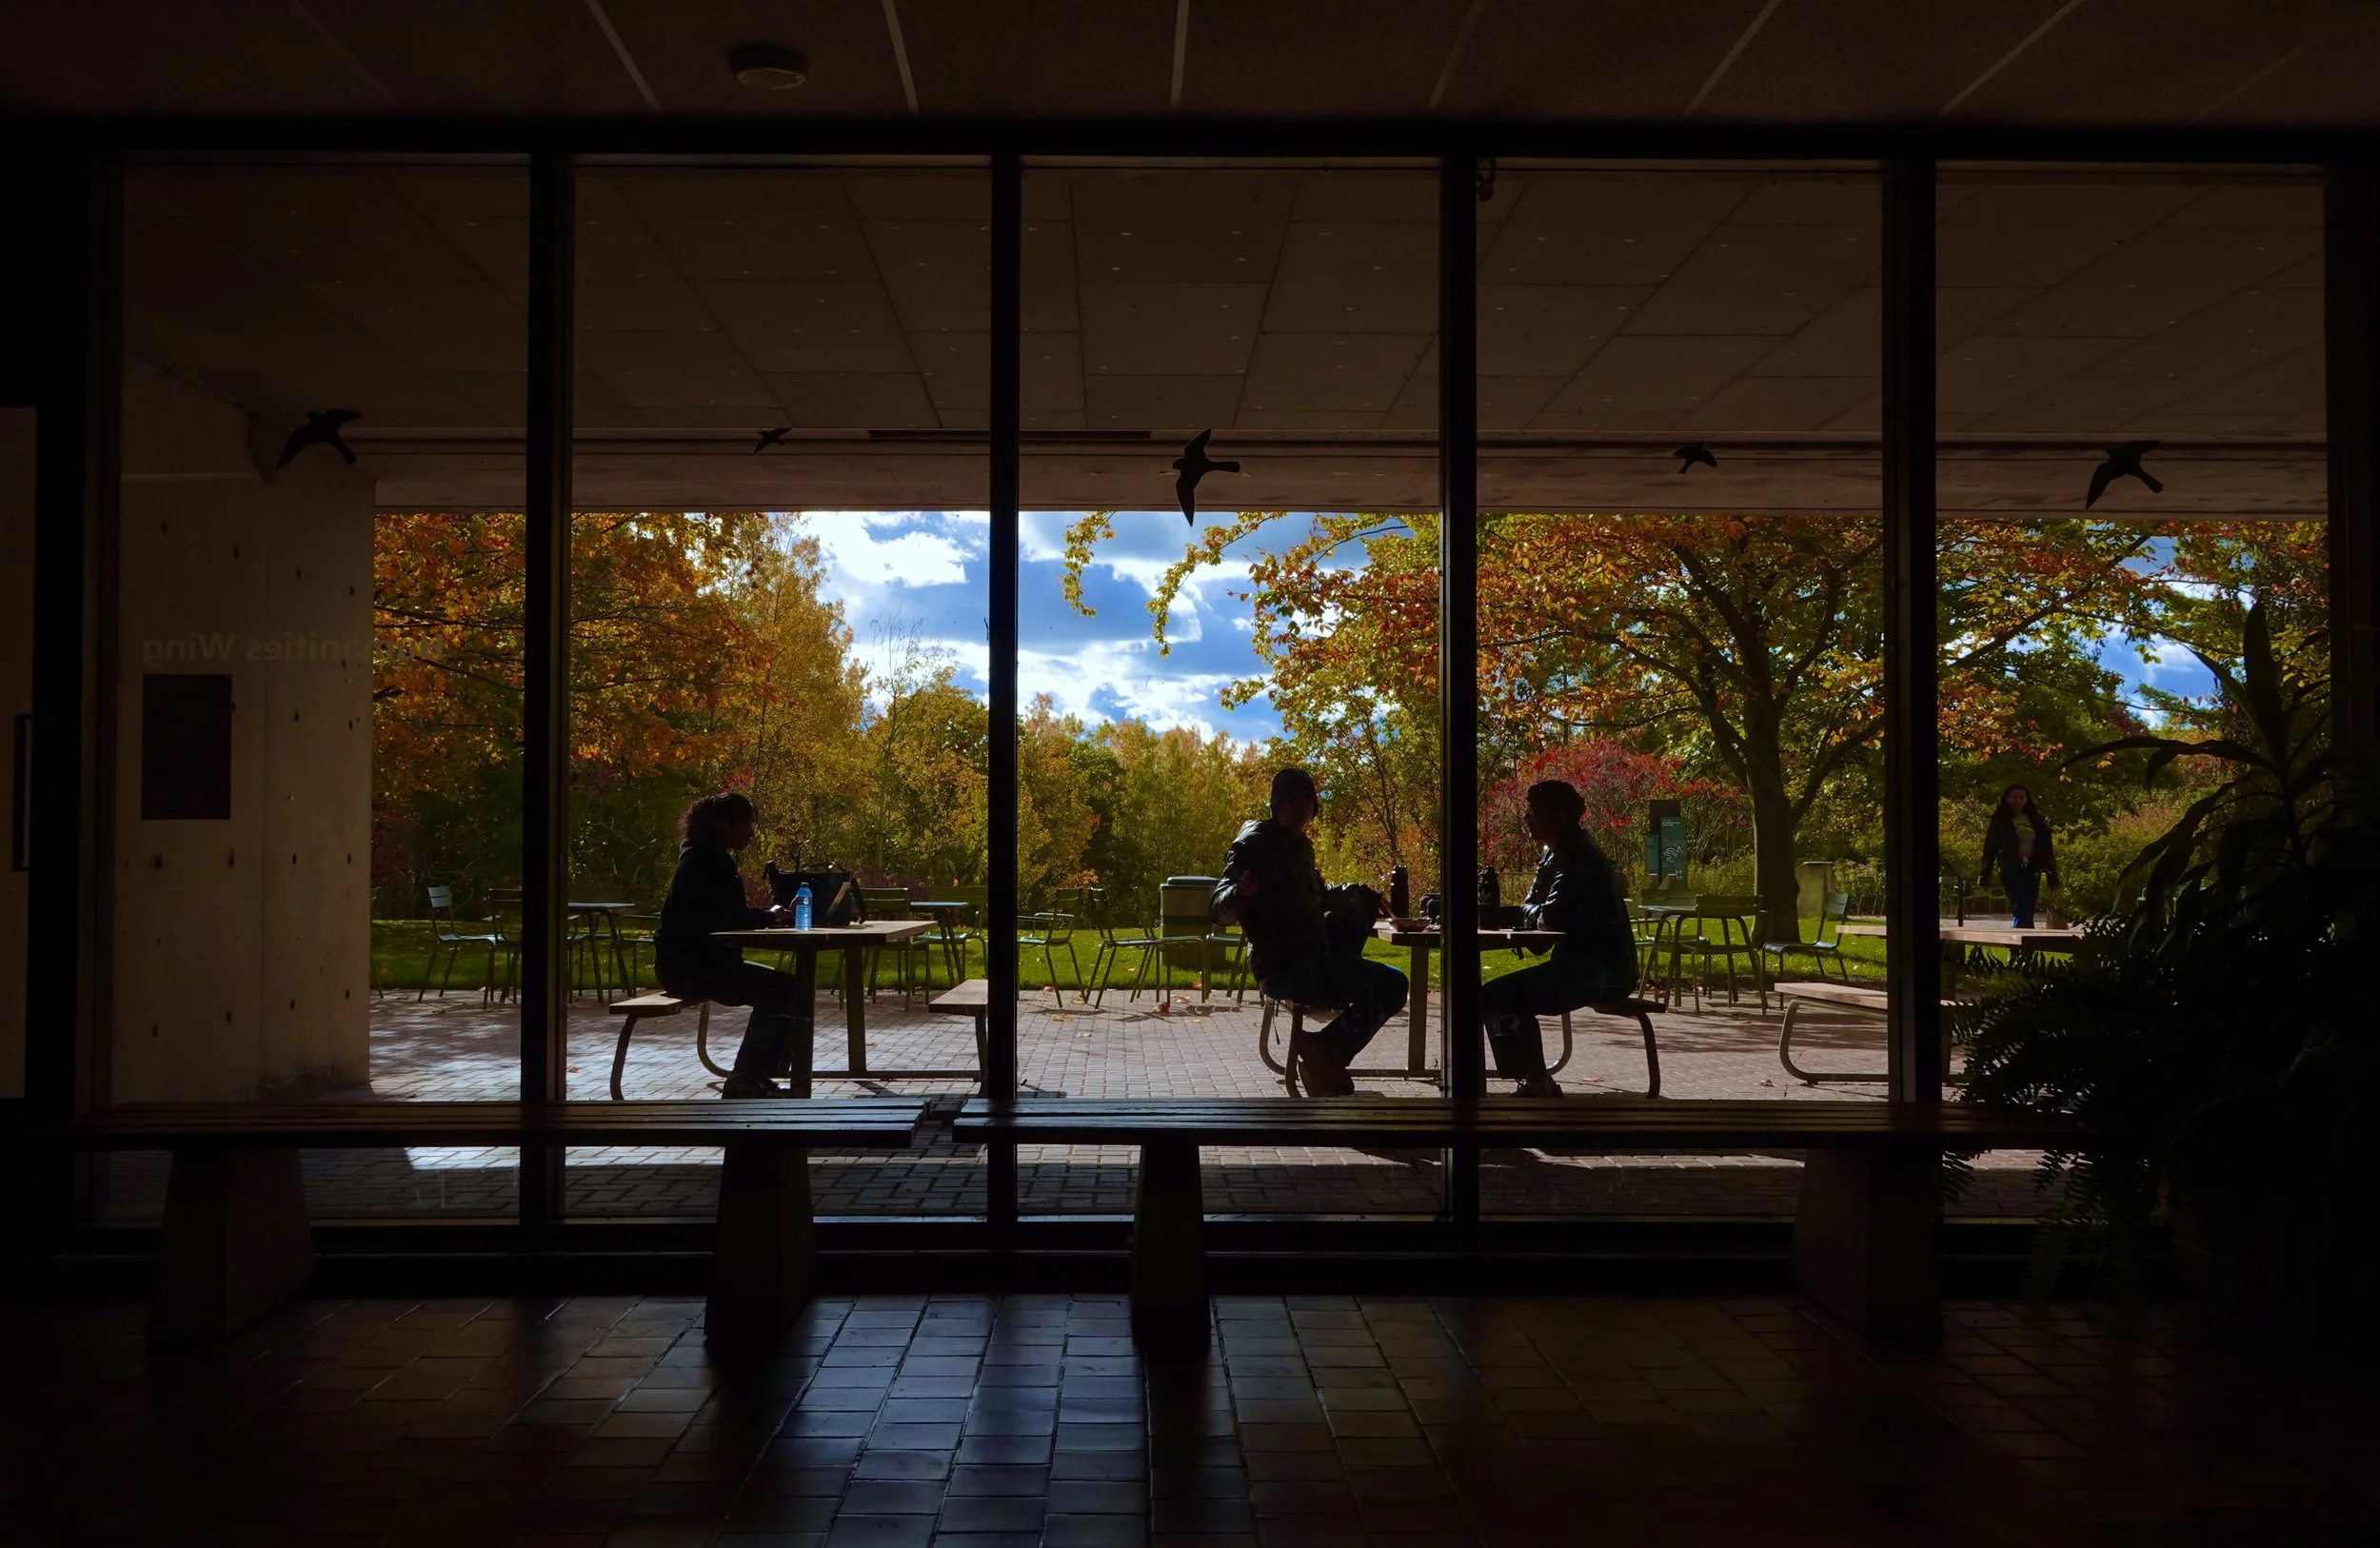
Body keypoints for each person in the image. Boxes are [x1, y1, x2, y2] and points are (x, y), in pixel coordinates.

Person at [1211, 767, 1406, 1098]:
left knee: (1390, 982)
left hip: (1312, 958)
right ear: (1275, 804)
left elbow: (1310, 899)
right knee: (1390, 983)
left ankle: (1324, 1052)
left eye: (1306, 799)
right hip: (1282, 966)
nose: (1298, 806)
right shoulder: (1254, 845)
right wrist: (1240, 892)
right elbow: (1217, 910)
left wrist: (1355, 892)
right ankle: (1324, 1053)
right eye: (1289, 799)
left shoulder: (1302, 846)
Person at [1480, 780, 1638, 1097]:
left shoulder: (1579, 857)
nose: (1527, 820)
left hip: (1602, 972)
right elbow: (1537, 911)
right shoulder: (1553, 855)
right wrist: (1531, 914)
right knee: (1496, 995)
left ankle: (1536, 1081)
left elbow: (1548, 916)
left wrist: (1530, 914)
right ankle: (1533, 1078)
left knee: (1497, 997)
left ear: (1561, 816)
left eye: (1535, 812)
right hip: (1579, 965)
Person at [654, 791, 801, 1099]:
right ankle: (747, 1078)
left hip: (697, 964)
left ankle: (754, 1076)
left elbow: (723, 916)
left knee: (786, 988)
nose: (751, 831)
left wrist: (766, 917)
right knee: (785, 990)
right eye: (747, 823)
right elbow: (724, 917)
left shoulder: (705, 858)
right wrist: (768, 916)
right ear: (724, 823)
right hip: (691, 969)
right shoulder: (703, 863)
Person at [1979, 784, 2057, 928]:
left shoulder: (2036, 819)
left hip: (2032, 868)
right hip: (2010, 868)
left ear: (2027, 799)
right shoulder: (2000, 821)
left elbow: (2047, 848)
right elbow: (1989, 849)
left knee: (2028, 906)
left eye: (2021, 797)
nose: (2018, 800)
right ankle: (2019, 945)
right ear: (2007, 799)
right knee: (2019, 904)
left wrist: (2052, 875)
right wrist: (1985, 876)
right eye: (2014, 797)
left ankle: (2022, 949)